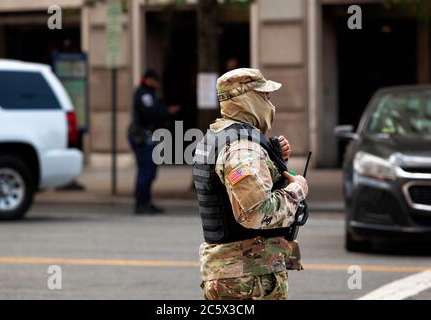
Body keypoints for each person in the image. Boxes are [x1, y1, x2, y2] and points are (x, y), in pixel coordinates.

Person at [193, 68, 309, 300]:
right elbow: (256, 212)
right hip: (249, 278)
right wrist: (297, 189)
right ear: (247, 99)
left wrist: (273, 159)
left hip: (238, 274)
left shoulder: (222, 136)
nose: (270, 103)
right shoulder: (242, 148)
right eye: (264, 96)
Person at [128, 70, 179, 214]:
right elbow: (150, 113)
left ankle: (146, 202)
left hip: (148, 135)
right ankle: (141, 203)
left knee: (149, 171)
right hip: (143, 136)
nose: (157, 84)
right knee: (146, 170)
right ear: (149, 80)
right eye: (155, 81)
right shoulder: (144, 94)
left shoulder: (149, 93)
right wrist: (166, 111)